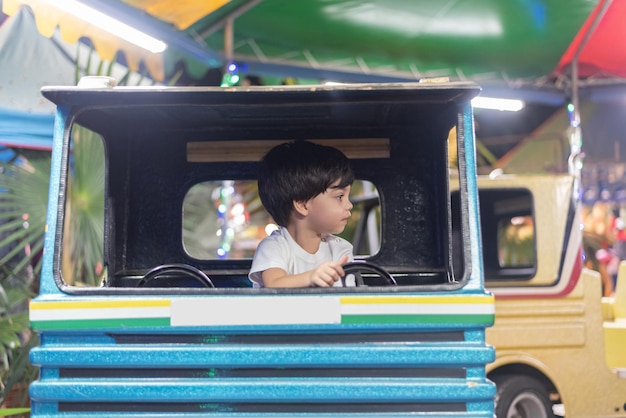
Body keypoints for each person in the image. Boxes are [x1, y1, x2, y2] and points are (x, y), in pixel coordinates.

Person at [249, 140, 354, 288]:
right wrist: (311, 277)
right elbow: (273, 284)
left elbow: (347, 298)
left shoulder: (340, 249)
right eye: (339, 197)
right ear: (303, 205)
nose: (349, 205)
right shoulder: (274, 246)